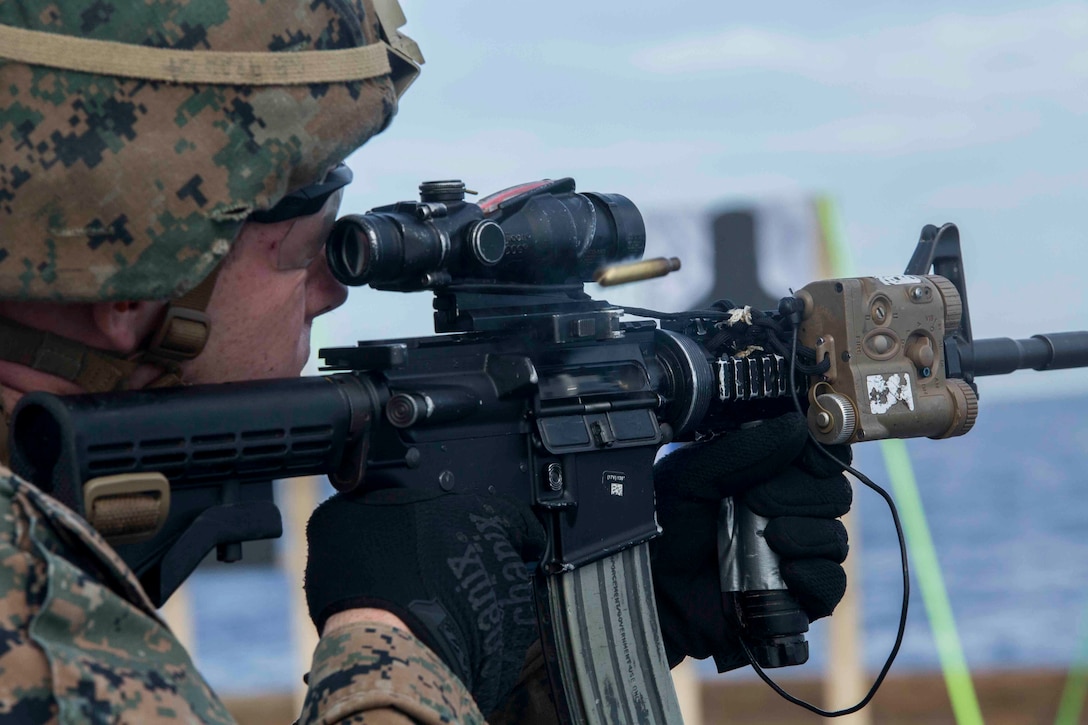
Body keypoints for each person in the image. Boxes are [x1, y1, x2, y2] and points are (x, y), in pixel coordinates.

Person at [0, 0, 852, 722]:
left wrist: (543, 659)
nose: (331, 290)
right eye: (300, 254)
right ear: (138, 276)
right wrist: (389, 644)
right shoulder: (43, 639)